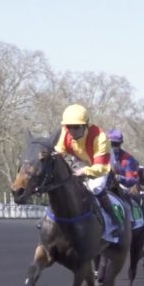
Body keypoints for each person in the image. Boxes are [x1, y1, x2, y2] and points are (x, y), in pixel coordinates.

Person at [55, 104, 120, 243]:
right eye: (69, 126)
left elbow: (101, 167)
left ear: (86, 125)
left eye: (76, 127)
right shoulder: (65, 132)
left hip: (102, 162)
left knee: (95, 188)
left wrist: (84, 171)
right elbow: (59, 152)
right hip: (81, 158)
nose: (71, 130)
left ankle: (114, 222)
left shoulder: (100, 137)